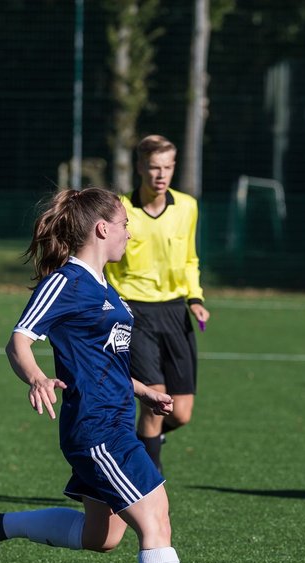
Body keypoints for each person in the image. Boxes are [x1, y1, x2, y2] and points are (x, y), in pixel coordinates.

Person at [0, 187, 251, 563]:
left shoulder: (105, 287)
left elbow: (103, 361)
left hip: (114, 419)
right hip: (97, 430)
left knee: (103, 537)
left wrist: (142, 391)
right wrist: (36, 376)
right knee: (156, 515)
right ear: (102, 229)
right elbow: (18, 340)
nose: (129, 231)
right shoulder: (65, 283)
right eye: (123, 224)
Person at [104, 134, 206, 474]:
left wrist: (195, 298)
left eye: (167, 167)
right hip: (136, 312)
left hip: (176, 312)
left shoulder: (188, 207)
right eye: (153, 167)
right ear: (139, 168)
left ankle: (143, 445)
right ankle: (148, 484)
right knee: (155, 404)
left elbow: (190, 258)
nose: (161, 175)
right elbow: (104, 261)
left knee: (181, 413)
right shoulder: (120, 209)